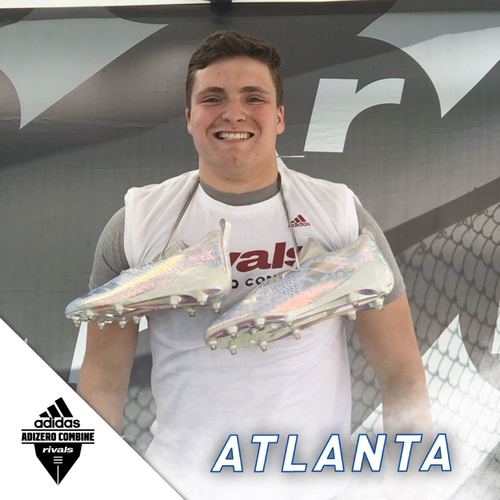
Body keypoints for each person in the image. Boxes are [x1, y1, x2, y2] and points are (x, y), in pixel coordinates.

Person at [77, 31, 431, 499]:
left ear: (279, 116)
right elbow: (102, 385)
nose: (233, 113)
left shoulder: (340, 215)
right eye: (212, 98)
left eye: (254, 98)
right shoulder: (139, 222)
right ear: (189, 117)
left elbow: (402, 375)